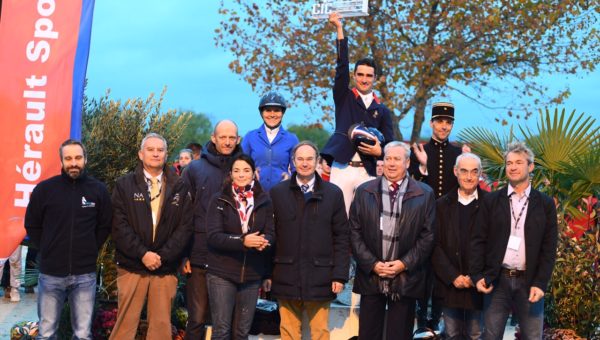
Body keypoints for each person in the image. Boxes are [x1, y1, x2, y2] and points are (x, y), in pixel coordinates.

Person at [24, 139, 112, 339]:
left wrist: (90, 248)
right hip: (51, 274)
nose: (74, 163)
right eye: (69, 158)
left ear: (85, 159)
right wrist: (47, 248)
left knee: (82, 334)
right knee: (46, 333)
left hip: (85, 275)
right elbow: (32, 224)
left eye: (78, 158)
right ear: (61, 161)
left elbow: (105, 225)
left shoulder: (98, 190)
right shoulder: (44, 190)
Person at [470, 141, 558, 340]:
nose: (513, 167)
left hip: (530, 282)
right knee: (490, 336)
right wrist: (477, 275)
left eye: (519, 162)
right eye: (509, 163)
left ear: (530, 166)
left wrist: (541, 283)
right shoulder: (492, 201)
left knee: (533, 336)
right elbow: (478, 240)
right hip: (497, 280)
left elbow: (549, 248)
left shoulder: (545, 204)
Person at [110, 133, 193, 339]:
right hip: (132, 265)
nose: (156, 154)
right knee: (125, 324)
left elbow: (185, 227)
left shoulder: (180, 186)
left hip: (165, 267)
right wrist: (143, 254)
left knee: (161, 326)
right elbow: (119, 226)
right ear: (140, 154)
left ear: (166, 155)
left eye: (160, 150)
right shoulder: (124, 185)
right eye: (150, 149)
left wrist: (161, 257)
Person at [350, 141, 435, 340]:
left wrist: (404, 264)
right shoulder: (364, 191)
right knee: (368, 333)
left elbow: (428, 236)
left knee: (400, 334)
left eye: (397, 159)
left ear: (407, 162)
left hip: (405, 276)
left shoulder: (424, 193)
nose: (391, 163)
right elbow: (354, 232)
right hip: (372, 275)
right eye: (388, 158)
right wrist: (373, 264)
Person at [268, 141, 350, 340]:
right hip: (285, 273)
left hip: (320, 275)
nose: (305, 163)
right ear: (293, 162)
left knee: (320, 332)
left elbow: (341, 237)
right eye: (300, 159)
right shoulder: (277, 193)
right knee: (288, 331)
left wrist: (339, 275)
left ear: (318, 162)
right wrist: (267, 274)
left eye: (309, 159)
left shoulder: (333, 194)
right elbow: (270, 235)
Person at [321, 12, 394, 213]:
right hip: (342, 167)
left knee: (367, 219)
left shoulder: (383, 110)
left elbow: (390, 142)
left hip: (368, 170)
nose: (364, 79)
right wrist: (339, 29)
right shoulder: (343, 97)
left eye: (368, 76)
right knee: (338, 219)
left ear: (375, 78)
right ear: (354, 76)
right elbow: (341, 66)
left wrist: (381, 152)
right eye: (360, 74)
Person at [182, 120, 244, 340]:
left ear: (238, 139)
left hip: (234, 257)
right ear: (213, 138)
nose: (227, 142)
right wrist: (184, 254)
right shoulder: (194, 169)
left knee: (230, 323)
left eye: (232, 137)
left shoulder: (244, 168)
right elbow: (183, 215)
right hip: (200, 255)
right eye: (223, 137)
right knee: (196, 319)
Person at [205, 154, 275, 339]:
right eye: (236, 171)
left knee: (242, 332)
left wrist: (263, 242)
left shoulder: (264, 200)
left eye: (246, 170)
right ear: (230, 174)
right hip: (222, 273)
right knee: (221, 331)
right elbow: (213, 236)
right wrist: (242, 241)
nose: (241, 175)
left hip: (252, 275)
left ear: (254, 173)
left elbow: (271, 233)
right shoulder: (219, 199)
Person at [409, 102, 463, 329]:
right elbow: (411, 188)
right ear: (431, 123)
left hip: (448, 223)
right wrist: (422, 167)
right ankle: (422, 322)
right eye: (440, 121)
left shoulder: (458, 154)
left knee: (443, 274)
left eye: (448, 122)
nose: (444, 126)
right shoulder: (420, 151)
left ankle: (438, 320)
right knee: (423, 273)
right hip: (423, 221)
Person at [432, 153, 487, 339]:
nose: (469, 177)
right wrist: (453, 276)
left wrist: (476, 276)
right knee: (451, 334)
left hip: (478, 285)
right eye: (464, 171)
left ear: (481, 174)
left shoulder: (491, 203)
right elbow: (434, 245)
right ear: (456, 172)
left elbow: (495, 246)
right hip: (449, 285)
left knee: (475, 334)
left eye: (474, 171)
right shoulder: (440, 205)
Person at [242, 91, 299, 191]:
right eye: (268, 110)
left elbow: (297, 169)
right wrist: (249, 172)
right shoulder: (250, 137)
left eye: (276, 110)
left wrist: (291, 178)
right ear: (261, 113)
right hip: (254, 193)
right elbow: (240, 164)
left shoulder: (292, 139)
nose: (272, 114)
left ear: (282, 113)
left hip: (283, 193)